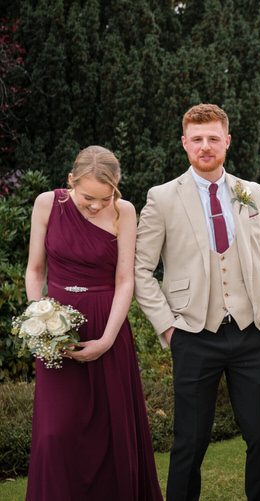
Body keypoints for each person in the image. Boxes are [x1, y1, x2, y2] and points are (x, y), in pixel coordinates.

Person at [134, 104, 260, 501]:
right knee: (190, 442)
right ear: (184, 143)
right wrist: (168, 327)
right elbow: (140, 270)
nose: (205, 146)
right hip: (193, 333)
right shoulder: (162, 197)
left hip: (253, 331)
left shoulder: (251, 193)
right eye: (197, 139)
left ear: (227, 142)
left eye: (213, 138)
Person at [24, 145, 162, 500]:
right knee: (55, 433)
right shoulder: (46, 204)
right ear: (70, 181)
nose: (98, 206)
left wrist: (107, 339)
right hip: (56, 330)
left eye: (107, 197)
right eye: (88, 197)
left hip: (107, 324)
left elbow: (125, 280)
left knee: (109, 430)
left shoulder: (125, 212)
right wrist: (40, 318)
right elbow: (35, 270)